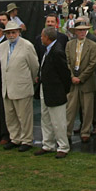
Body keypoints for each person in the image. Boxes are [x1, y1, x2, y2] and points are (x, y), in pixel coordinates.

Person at [0, 20, 39, 152]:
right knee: (10, 116)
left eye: (13, 32)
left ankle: (27, 140)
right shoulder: (3, 46)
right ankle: (15, 139)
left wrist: (30, 79)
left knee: (24, 116)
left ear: (19, 32)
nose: (11, 35)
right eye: (8, 33)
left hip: (22, 86)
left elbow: (34, 66)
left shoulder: (27, 45)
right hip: (7, 87)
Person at [35, 26, 72, 158]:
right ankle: (48, 144)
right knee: (45, 119)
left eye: (42, 36)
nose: (41, 38)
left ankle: (63, 146)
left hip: (56, 91)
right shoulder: (47, 50)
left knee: (58, 121)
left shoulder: (57, 52)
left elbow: (64, 73)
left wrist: (64, 90)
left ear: (47, 37)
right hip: (45, 89)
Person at [64, 18, 96, 145]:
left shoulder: (93, 45)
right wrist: (72, 76)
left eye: (84, 30)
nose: (82, 32)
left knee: (88, 109)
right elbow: (67, 62)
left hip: (87, 81)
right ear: (75, 32)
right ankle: (67, 132)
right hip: (73, 81)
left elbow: (92, 64)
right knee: (70, 109)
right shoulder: (69, 44)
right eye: (80, 30)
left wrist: (81, 77)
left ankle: (85, 132)